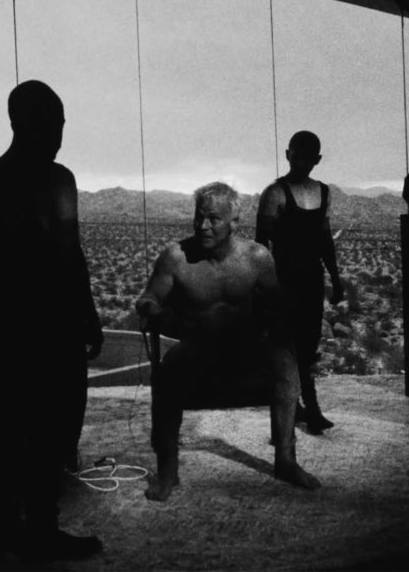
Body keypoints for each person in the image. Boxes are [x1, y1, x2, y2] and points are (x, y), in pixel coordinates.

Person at [0, 80, 104, 561]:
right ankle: (30, 527)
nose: (58, 136)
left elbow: (65, 251)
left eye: (61, 125)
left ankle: (17, 526)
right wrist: (82, 313)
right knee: (33, 430)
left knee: (28, 430)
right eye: (49, 125)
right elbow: (60, 254)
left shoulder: (0, 180)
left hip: (23, 320)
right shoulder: (38, 181)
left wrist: (85, 312)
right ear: (20, 124)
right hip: (37, 323)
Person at [136, 181, 321, 502]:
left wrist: (287, 316)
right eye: (199, 217)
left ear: (234, 222)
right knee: (166, 376)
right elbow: (150, 297)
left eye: (213, 218)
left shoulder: (257, 258)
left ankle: (286, 460)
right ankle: (167, 469)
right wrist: (151, 309)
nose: (203, 226)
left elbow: (276, 303)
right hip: (196, 347)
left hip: (246, 348)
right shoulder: (176, 258)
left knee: (285, 366)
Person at [256, 131, 344, 435]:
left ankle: (300, 407)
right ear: (287, 155)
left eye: (307, 158)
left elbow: (325, 239)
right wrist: (265, 285)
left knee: (308, 345)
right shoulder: (275, 193)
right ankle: (307, 410)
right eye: (297, 156)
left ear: (317, 160)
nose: (301, 163)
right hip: (283, 281)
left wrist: (335, 278)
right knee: (287, 348)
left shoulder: (323, 192)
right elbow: (261, 243)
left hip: (311, 280)